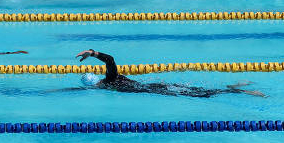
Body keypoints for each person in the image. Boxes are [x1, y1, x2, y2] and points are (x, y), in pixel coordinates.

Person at [76, 49, 264, 97]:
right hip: (155, 87)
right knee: (198, 92)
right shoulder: (109, 81)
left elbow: (110, 59)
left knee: (201, 94)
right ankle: (232, 87)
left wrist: (92, 53)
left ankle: (240, 91)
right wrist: (92, 54)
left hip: (156, 89)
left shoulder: (110, 80)